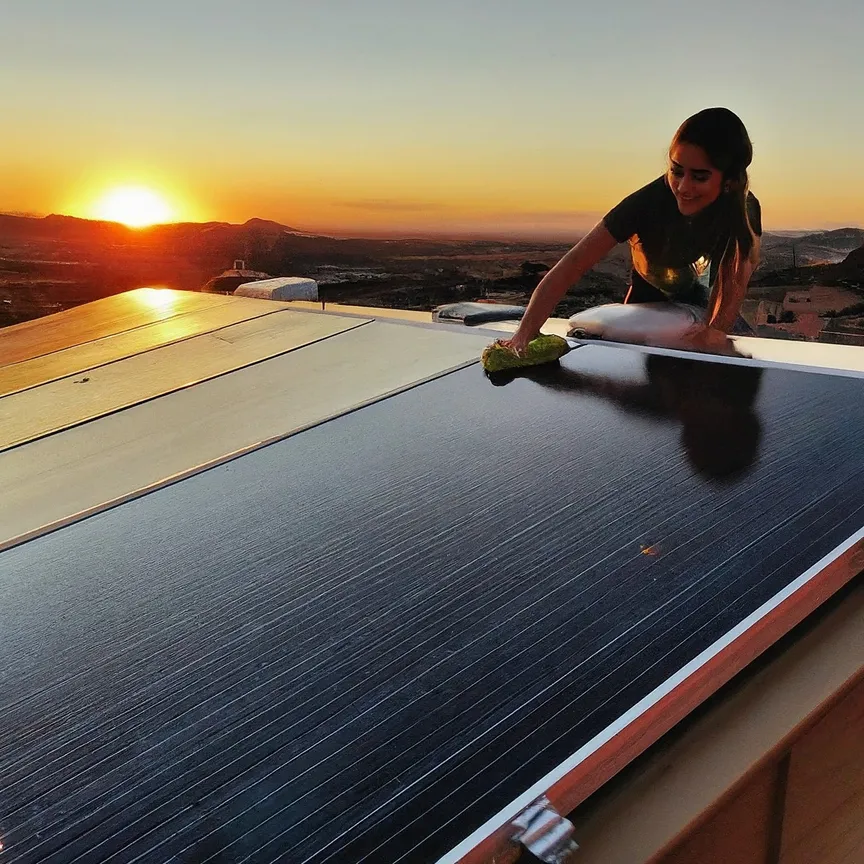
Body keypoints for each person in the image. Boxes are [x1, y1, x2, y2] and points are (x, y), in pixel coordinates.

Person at [503, 107, 762, 356]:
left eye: (700, 177)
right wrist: (525, 334)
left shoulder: (743, 210)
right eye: (676, 171)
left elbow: (733, 279)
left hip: (702, 302)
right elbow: (573, 264)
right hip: (647, 296)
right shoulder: (646, 204)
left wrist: (714, 334)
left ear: (729, 181)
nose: (683, 187)